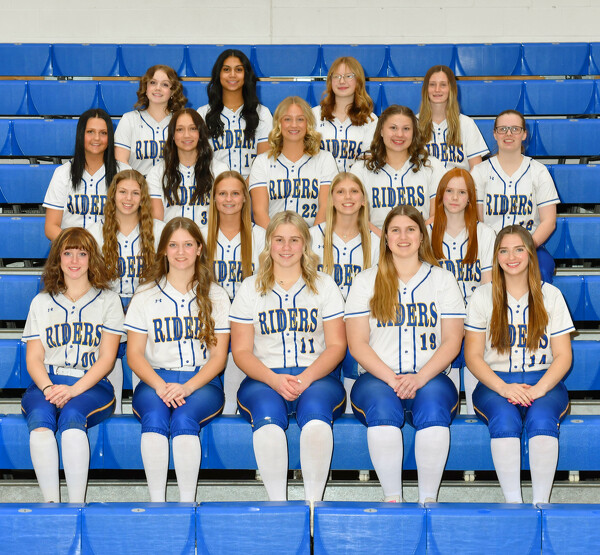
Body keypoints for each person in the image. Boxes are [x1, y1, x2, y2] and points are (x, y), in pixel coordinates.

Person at [346, 205, 465, 503]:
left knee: (434, 410)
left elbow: (452, 341)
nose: (403, 237)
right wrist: (392, 379)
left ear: (422, 236)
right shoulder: (365, 281)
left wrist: (420, 377)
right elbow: (357, 344)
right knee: (382, 410)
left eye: (411, 230)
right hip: (377, 377)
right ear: (385, 238)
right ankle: (392, 499)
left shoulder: (443, 279)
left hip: (431, 375)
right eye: (395, 230)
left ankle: (428, 501)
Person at [230, 211, 346, 502]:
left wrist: (305, 379)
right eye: (279, 239)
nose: (286, 247)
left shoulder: (325, 285)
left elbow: (336, 346)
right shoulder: (249, 287)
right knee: (268, 422)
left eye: (294, 240)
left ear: (305, 244)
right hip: (264, 377)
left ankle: (313, 505)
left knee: (317, 421)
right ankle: (278, 505)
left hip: (316, 376)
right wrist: (274, 380)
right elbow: (241, 351)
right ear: (268, 243)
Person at [464, 225, 574, 504]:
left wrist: (538, 390)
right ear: (496, 256)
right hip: (495, 383)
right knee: (504, 419)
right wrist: (504, 388)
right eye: (503, 251)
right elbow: (473, 356)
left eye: (518, 249)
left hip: (544, 381)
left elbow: (563, 356)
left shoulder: (551, 295)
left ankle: (541, 505)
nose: (511, 257)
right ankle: (514, 504)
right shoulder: (482, 296)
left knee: (542, 419)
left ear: (530, 254)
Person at [125, 217, 230, 502]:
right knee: (155, 419)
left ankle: (186, 504)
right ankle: (157, 504)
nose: (180, 252)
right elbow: (134, 354)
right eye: (173, 245)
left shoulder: (216, 295)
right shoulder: (145, 294)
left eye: (188, 245)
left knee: (184, 420)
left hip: (201, 382)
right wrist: (161, 386)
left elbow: (218, 357)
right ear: (163, 250)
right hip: (155, 380)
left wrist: (187, 387)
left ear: (199, 249)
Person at [21, 227, 124, 502]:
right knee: (40, 422)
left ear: (92, 259)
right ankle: (51, 505)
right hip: (48, 382)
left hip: (92, 384)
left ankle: (77, 507)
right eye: (68, 253)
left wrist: (73, 390)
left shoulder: (109, 300)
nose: (75, 260)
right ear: (58, 258)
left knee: (72, 418)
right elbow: (33, 358)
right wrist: (48, 388)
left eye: (82, 253)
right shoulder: (41, 302)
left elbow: (107, 359)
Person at [88, 169, 165, 413]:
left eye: (135, 193)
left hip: (148, 309)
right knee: (109, 361)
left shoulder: (159, 230)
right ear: (113, 195)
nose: (128, 198)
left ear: (143, 198)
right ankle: (115, 413)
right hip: (106, 309)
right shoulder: (94, 231)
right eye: (123, 192)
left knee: (142, 361)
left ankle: (144, 411)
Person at [310, 171, 379, 409]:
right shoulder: (312, 237)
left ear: (363, 200)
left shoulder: (377, 242)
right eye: (340, 192)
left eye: (354, 191)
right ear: (331, 199)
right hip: (320, 326)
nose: (347, 197)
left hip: (362, 328)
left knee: (351, 402)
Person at [429, 168, 495, 413]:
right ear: (440, 195)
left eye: (462, 192)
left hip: (475, 321)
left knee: (475, 403)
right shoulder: (425, 232)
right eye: (449, 191)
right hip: (438, 322)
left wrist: (474, 324)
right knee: (447, 401)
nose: (455, 197)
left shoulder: (485, 234)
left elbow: (488, 287)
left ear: (470, 198)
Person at [202, 170, 266, 413]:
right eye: (222, 194)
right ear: (214, 198)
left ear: (245, 198)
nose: (229, 199)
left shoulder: (261, 236)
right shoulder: (200, 234)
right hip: (209, 320)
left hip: (249, 321)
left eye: (235, 193)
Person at [471, 109, 558, 283]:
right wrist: (496, 249)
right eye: (502, 129)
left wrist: (525, 248)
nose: (508, 134)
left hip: (531, 245)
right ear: (495, 134)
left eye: (515, 129)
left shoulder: (539, 172)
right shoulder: (479, 172)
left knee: (541, 269)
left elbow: (549, 221)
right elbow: (476, 219)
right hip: (490, 247)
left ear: (524, 134)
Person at [350, 105, 445, 229]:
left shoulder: (432, 166)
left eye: (406, 129)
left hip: (421, 238)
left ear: (414, 133)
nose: (399, 134)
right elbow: (356, 216)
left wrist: (415, 236)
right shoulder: (360, 169)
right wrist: (383, 238)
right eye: (393, 128)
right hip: (374, 239)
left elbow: (438, 215)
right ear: (381, 131)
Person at [249, 97, 338, 228]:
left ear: (308, 123)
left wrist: (311, 238)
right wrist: (277, 238)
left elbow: (326, 208)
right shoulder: (262, 162)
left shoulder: (325, 159)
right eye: (287, 119)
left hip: (314, 235)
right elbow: (259, 212)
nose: (294, 125)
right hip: (272, 237)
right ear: (279, 123)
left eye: (300, 119)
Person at [44, 109, 126, 240]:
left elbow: (132, 223)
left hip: (111, 249)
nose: (97, 138)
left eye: (103, 133)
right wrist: (77, 248)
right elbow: (51, 227)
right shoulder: (63, 173)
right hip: (71, 248)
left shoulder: (124, 173)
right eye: (90, 132)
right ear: (81, 134)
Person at [147, 108, 229, 227]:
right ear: (173, 135)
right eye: (180, 129)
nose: (186, 135)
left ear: (200, 133)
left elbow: (225, 217)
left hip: (209, 238)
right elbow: (157, 222)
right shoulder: (157, 172)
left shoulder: (219, 170)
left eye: (193, 129)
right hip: (170, 238)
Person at [198, 49, 272, 178]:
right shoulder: (203, 114)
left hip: (253, 185)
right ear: (218, 74)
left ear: (246, 74)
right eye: (226, 69)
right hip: (214, 186)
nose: (232, 75)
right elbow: (201, 161)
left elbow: (264, 161)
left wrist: (245, 186)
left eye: (238, 70)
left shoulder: (262, 113)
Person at [115, 64, 187, 176]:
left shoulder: (182, 121)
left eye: (165, 84)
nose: (158, 88)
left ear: (173, 91)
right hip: (137, 184)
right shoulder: (129, 120)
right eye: (153, 82)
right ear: (146, 88)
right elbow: (121, 161)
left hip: (173, 184)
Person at [313, 56, 378, 171]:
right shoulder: (314, 115)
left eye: (348, 76)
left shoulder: (370, 119)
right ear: (330, 81)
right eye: (336, 76)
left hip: (356, 181)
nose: (342, 81)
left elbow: (368, 163)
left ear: (358, 80)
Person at [418, 65, 489, 170]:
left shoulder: (466, 124)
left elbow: (477, 170)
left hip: (459, 180)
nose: (437, 89)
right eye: (432, 84)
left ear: (451, 89)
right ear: (426, 89)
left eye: (443, 85)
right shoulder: (413, 123)